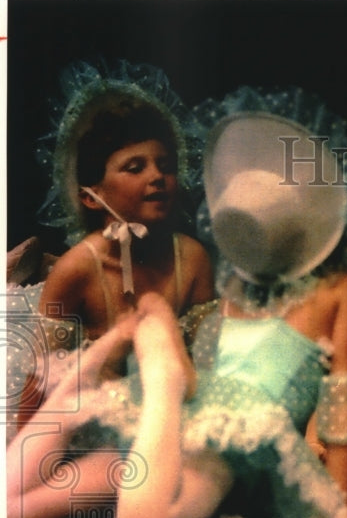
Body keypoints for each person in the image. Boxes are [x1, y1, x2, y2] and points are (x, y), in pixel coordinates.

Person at [8, 110, 347, 518]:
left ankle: (156, 366)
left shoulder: (340, 285)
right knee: (9, 513)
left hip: (237, 443)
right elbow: (206, 372)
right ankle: (136, 368)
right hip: (168, 420)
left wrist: (338, 505)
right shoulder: (236, 288)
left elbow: (344, 396)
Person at [6, 59, 214, 437]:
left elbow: (209, 364)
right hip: (94, 425)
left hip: (173, 423)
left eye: (164, 165)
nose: (156, 177)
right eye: (135, 167)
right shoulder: (77, 270)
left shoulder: (192, 259)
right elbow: (40, 380)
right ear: (92, 195)